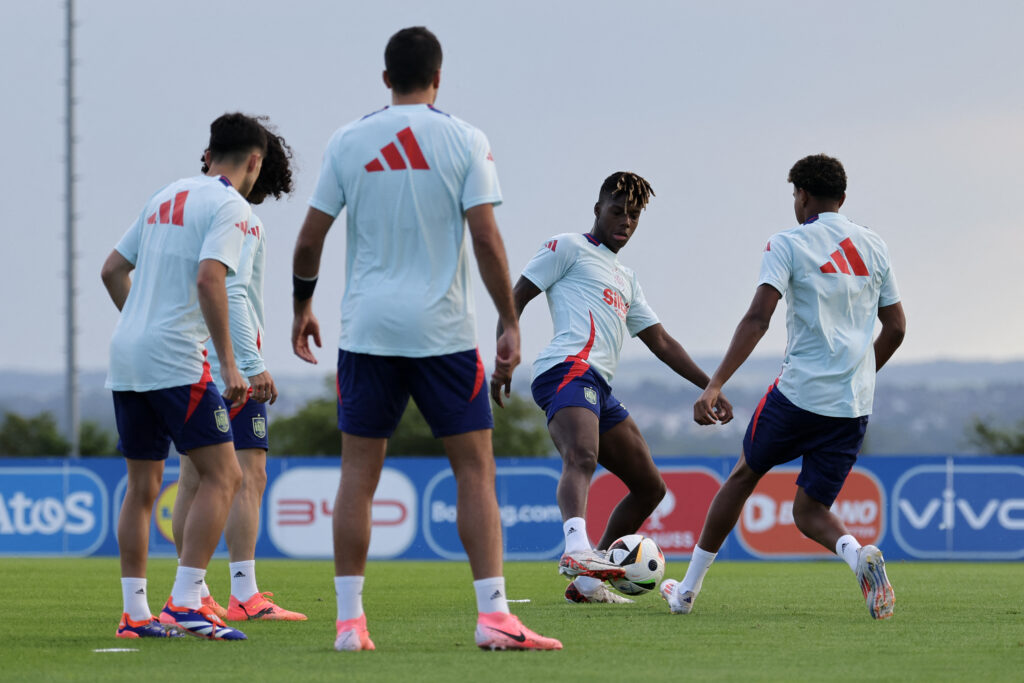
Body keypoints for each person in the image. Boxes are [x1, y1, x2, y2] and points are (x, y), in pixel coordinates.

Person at [290, 26, 561, 651]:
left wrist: (303, 305)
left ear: (385, 79)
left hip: (366, 330)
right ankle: (494, 617)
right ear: (439, 77)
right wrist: (510, 319)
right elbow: (487, 240)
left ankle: (349, 624)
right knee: (474, 469)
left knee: (358, 473)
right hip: (442, 334)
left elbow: (308, 241)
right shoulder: (465, 138)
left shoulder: (348, 140)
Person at [660, 154, 906, 620]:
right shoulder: (875, 245)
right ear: (844, 198)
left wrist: (714, 384)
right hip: (852, 405)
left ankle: (686, 592)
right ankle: (858, 554)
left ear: (803, 196)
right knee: (809, 510)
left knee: (741, 477)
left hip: (798, 395)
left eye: (795, 194)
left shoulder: (787, 243)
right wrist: (860, 373)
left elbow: (758, 319)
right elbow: (895, 328)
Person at [500, 171, 732, 604]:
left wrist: (711, 385)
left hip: (598, 386)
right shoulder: (567, 247)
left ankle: (588, 585)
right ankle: (576, 552)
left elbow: (661, 341)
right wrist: (505, 354)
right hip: (565, 369)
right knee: (582, 456)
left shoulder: (627, 278)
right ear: (597, 210)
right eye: (617, 212)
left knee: (650, 487)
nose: (625, 221)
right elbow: (515, 297)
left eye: (634, 215)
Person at [101, 112, 267, 640]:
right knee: (226, 476)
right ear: (254, 162)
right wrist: (229, 362)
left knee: (142, 487)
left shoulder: (165, 194)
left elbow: (111, 270)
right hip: (176, 358)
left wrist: (139, 325)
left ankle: (135, 613)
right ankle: (186, 602)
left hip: (126, 355)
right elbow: (210, 278)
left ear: (209, 152)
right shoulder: (230, 206)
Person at [170, 123, 306, 622]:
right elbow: (234, 292)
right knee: (249, 473)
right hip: (228, 362)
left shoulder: (184, 205)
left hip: (188, 355)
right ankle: (243, 594)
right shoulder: (239, 216)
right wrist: (250, 364)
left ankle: (191, 590)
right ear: (257, 162)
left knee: (193, 476)